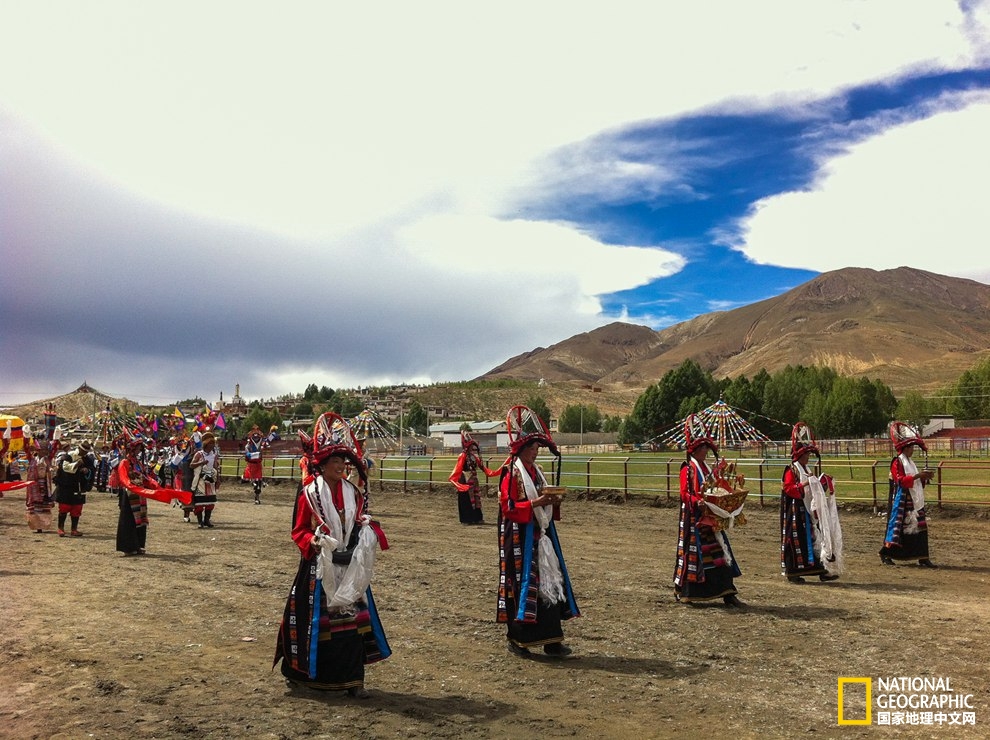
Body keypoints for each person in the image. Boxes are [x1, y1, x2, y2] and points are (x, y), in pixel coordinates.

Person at [274, 412, 391, 697]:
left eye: (343, 462)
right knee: (315, 623)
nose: (340, 466)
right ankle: (305, 674)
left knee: (354, 622)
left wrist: (367, 530)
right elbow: (298, 530)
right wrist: (313, 542)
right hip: (318, 567)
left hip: (349, 565)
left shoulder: (353, 492)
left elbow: (362, 519)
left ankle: (353, 681)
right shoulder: (308, 494)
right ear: (323, 465)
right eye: (335, 462)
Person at [497, 405, 579, 658]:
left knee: (550, 582)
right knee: (522, 585)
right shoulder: (511, 474)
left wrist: (553, 503)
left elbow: (543, 502)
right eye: (531, 449)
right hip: (521, 538)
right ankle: (518, 640)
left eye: (536, 450)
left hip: (541, 535)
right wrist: (534, 503)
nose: (534, 453)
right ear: (521, 450)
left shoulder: (538, 473)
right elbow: (508, 507)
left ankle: (552, 640)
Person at [672, 416, 744, 607]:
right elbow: (684, 493)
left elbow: (713, 486)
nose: (705, 451)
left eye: (706, 448)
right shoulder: (687, 469)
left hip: (711, 517)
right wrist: (698, 502)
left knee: (721, 553)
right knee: (696, 554)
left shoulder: (705, 468)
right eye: (702, 448)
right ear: (695, 450)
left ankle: (728, 592)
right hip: (696, 518)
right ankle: (689, 592)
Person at [780, 422, 842, 583]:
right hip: (796, 512)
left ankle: (822, 569)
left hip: (809, 511)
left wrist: (823, 484)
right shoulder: (791, 470)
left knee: (817, 538)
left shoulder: (807, 470)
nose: (808, 457)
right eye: (806, 454)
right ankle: (793, 572)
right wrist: (805, 484)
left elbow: (813, 489)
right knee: (798, 539)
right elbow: (789, 489)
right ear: (799, 455)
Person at [881, 421, 936, 568]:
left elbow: (915, 480)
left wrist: (923, 477)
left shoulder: (911, 463)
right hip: (903, 501)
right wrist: (919, 476)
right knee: (898, 528)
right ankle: (886, 553)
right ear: (905, 448)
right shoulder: (897, 462)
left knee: (921, 527)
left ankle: (923, 557)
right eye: (911, 447)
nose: (912, 450)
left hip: (916, 500)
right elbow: (900, 481)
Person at [448, 432, 498, 525]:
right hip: (465, 480)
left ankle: (477, 517)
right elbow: (457, 470)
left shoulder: (473, 456)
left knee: (476, 499)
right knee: (466, 499)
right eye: (470, 446)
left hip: (473, 480)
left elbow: (483, 468)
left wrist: (495, 472)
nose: (472, 448)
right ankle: (467, 519)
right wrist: (460, 484)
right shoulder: (462, 456)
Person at [54, 441, 95, 537]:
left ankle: (74, 529)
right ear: (79, 449)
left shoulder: (87, 459)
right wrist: (76, 464)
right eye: (83, 451)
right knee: (64, 508)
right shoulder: (69, 456)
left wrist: (87, 470)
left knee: (77, 509)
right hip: (66, 486)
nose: (84, 454)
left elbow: (92, 469)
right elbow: (65, 467)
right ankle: (61, 528)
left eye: (86, 452)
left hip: (79, 487)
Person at [190, 431, 221, 528]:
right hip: (200, 481)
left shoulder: (214, 455)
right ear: (206, 444)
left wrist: (218, 479)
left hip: (211, 480)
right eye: (211, 444)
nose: (212, 446)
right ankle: (200, 522)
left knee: (210, 502)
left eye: (213, 444)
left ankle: (207, 520)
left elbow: (216, 467)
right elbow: (191, 465)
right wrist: (202, 462)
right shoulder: (199, 454)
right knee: (199, 503)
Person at [24, 438, 54, 533]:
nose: (44, 452)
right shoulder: (32, 459)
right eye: (42, 450)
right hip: (33, 486)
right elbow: (26, 449)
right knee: (35, 506)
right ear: (38, 450)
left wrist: (56, 438)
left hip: (44, 485)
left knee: (43, 506)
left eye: (46, 450)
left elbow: (54, 450)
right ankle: (37, 525)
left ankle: (42, 525)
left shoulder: (47, 460)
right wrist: (26, 437)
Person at [242, 425, 266, 505]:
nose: (256, 439)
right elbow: (248, 455)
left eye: (257, 437)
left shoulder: (261, 446)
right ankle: (250, 481)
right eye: (254, 437)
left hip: (258, 465)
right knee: (253, 480)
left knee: (258, 481)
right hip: (251, 465)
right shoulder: (248, 446)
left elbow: (266, 445)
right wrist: (257, 454)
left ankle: (257, 497)